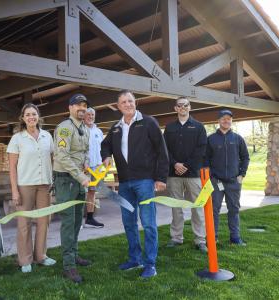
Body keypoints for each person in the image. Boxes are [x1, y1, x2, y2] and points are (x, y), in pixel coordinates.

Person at [101, 90, 169, 278]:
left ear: (135, 102)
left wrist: (161, 178)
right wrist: (106, 156)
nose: (127, 104)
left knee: (148, 223)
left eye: (130, 101)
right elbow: (105, 144)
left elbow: (162, 151)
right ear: (118, 106)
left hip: (145, 181)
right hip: (124, 183)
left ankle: (150, 263)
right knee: (129, 223)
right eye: (123, 102)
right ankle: (134, 258)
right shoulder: (115, 127)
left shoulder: (148, 122)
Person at [7, 103, 56, 273]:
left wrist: (53, 181)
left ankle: (41, 255)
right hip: (24, 185)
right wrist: (14, 191)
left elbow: (53, 159)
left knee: (44, 221)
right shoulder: (17, 139)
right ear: (23, 118)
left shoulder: (47, 136)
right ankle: (25, 259)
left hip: (45, 185)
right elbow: (12, 167)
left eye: (33, 114)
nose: (31, 117)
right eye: (27, 114)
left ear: (38, 116)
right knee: (24, 223)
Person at [53, 94, 91, 283]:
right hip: (66, 181)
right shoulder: (65, 128)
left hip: (78, 180)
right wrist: (81, 176)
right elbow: (62, 156)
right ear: (70, 107)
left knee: (77, 220)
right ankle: (68, 266)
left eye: (84, 105)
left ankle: (73, 255)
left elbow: (83, 154)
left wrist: (87, 168)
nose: (81, 108)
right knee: (68, 222)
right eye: (77, 105)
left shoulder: (84, 128)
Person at [163, 97, 208, 253]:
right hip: (173, 173)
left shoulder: (199, 127)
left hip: (193, 174)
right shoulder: (169, 127)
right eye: (179, 105)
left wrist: (187, 165)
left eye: (185, 105)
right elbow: (165, 149)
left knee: (197, 207)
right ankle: (176, 238)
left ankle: (200, 240)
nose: (183, 107)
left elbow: (201, 150)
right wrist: (175, 164)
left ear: (190, 107)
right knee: (176, 208)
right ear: (175, 108)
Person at [205, 109, 249, 246]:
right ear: (218, 121)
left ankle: (235, 238)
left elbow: (245, 157)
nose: (226, 121)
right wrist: (211, 177)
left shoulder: (237, 138)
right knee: (213, 210)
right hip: (216, 181)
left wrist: (242, 174)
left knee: (234, 209)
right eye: (223, 118)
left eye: (229, 119)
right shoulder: (211, 139)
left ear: (231, 121)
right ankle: (213, 238)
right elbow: (205, 160)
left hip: (233, 182)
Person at [83, 107, 104, 228]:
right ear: (84, 116)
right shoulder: (80, 130)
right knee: (80, 193)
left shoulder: (99, 131)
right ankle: (76, 221)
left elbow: (102, 150)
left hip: (96, 168)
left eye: (92, 115)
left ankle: (89, 219)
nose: (90, 116)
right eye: (88, 114)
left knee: (92, 192)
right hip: (84, 168)